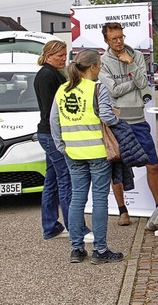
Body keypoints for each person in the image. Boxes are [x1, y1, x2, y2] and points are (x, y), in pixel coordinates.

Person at [50, 49, 124, 264]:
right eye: (99, 65)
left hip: (73, 153)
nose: (100, 68)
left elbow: (54, 120)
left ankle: (76, 249)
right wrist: (118, 120)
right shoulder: (97, 89)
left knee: (76, 200)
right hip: (98, 152)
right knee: (99, 199)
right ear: (93, 67)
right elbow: (107, 118)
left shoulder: (62, 89)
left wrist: (61, 146)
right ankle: (100, 251)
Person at [99, 22, 158, 226]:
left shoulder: (135, 56)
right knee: (117, 169)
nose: (119, 41)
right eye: (114, 39)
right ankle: (122, 211)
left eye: (121, 37)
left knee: (153, 165)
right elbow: (113, 90)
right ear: (106, 40)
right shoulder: (102, 61)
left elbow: (144, 84)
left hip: (138, 120)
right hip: (116, 122)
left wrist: (131, 64)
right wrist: (134, 80)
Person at [34, 40, 93, 241]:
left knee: (51, 181)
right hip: (51, 135)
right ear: (48, 55)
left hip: (48, 134)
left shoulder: (51, 74)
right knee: (66, 180)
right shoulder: (47, 76)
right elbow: (51, 112)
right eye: (59, 55)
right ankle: (76, 228)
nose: (63, 59)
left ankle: (51, 226)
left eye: (64, 54)